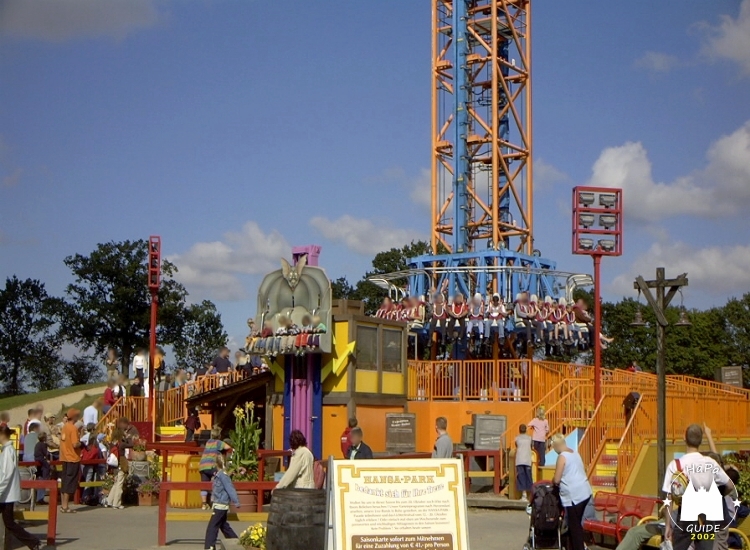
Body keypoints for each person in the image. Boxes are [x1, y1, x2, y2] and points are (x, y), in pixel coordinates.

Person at [661, 424, 730, 550]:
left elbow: (668, 498)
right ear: (701, 440)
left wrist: (668, 526)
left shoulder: (675, 465)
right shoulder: (710, 462)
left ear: (684, 438)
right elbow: (729, 485)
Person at [0, 426, 42, 550]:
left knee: (10, 523)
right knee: (9, 523)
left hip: (6, 495)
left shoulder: (8, 451)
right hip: (6, 494)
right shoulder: (7, 450)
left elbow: (6, 475)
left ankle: (33, 542)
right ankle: (33, 542)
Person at [551, 433, 592, 550]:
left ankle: (578, 547)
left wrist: (552, 480)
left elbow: (557, 479)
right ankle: (572, 546)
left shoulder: (562, 457)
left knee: (574, 527)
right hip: (585, 491)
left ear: (556, 445)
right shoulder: (574, 453)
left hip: (574, 495)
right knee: (576, 523)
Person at [203, 454, 241, 550]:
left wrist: (236, 502)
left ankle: (209, 546)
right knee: (224, 526)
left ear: (216, 464)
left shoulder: (223, 476)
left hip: (220, 505)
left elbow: (230, 489)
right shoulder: (218, 475)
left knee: (212, 527)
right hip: (218, 504)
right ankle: (236, 542)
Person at [199, 427, 230, 510]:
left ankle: (204, 504)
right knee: (219, 480)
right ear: (219, 435)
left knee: (204, 484)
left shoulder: (208, 442)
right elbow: (227, 447)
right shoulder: (219, 443)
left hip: (203, 465)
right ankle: (217, 501)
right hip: (212, 465)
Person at [59, 408, 82, 513]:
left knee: (64, 481)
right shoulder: (73, 429)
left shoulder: (64, 427)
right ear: (75, 417)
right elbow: (75, 444)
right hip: (73, 458)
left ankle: (63, 504)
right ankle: (65, 506)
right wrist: (81, 443)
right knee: (70, 482)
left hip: (64, 457)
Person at [515, 424, 533, 501]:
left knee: (521, 477)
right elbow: (531, 446)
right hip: (527, 459)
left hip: (519, 459)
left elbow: (516, 446)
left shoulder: (517, 438)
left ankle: (523, 494)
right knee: (528, 477)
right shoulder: (529, 438)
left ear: (519, 430)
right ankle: (531, 494)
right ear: (526, 430)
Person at [33, 432, 51, 505]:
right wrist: (47, 460)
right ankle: (47, 477)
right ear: (44, 438)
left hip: (37, 459)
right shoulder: (43, 444)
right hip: (41, 459)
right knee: (47, 467)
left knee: (40, 476)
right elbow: (45, 453)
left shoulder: (37, 444)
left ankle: (40, 498)